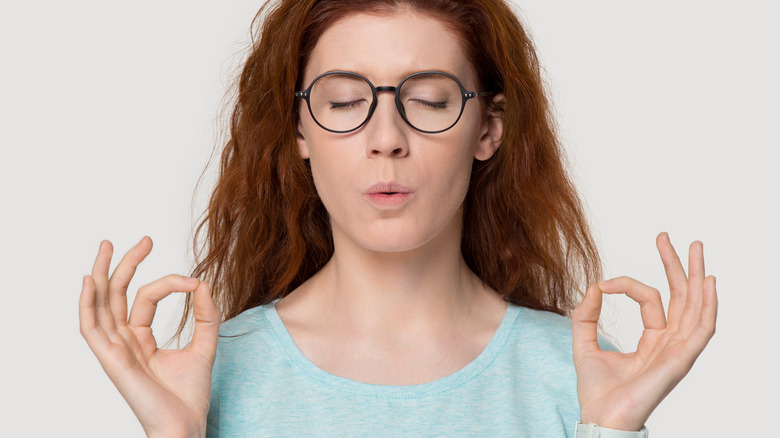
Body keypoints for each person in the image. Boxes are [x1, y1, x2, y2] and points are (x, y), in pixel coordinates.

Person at [79, 0, 718, 436]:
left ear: (487, 129)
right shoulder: (209, 373)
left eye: (430, 100)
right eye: (345, 100)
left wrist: (611, 429)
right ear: (300, 127)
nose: (386, 138)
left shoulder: (580, 376)